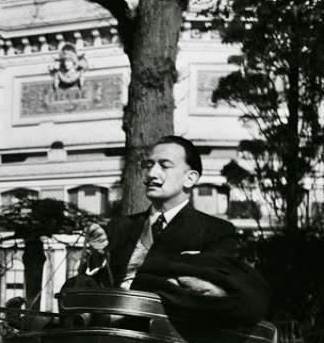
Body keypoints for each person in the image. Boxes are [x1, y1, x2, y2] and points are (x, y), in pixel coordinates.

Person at [70, 135, 268, 324]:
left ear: (190, 178)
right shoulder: (120, 227)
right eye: (149, 165)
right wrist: (97, 255)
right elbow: (101, 280)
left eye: (164, 165)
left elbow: (207, 292)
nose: (151, 174)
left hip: (165, 334)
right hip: (105, 323)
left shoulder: (216, 231)